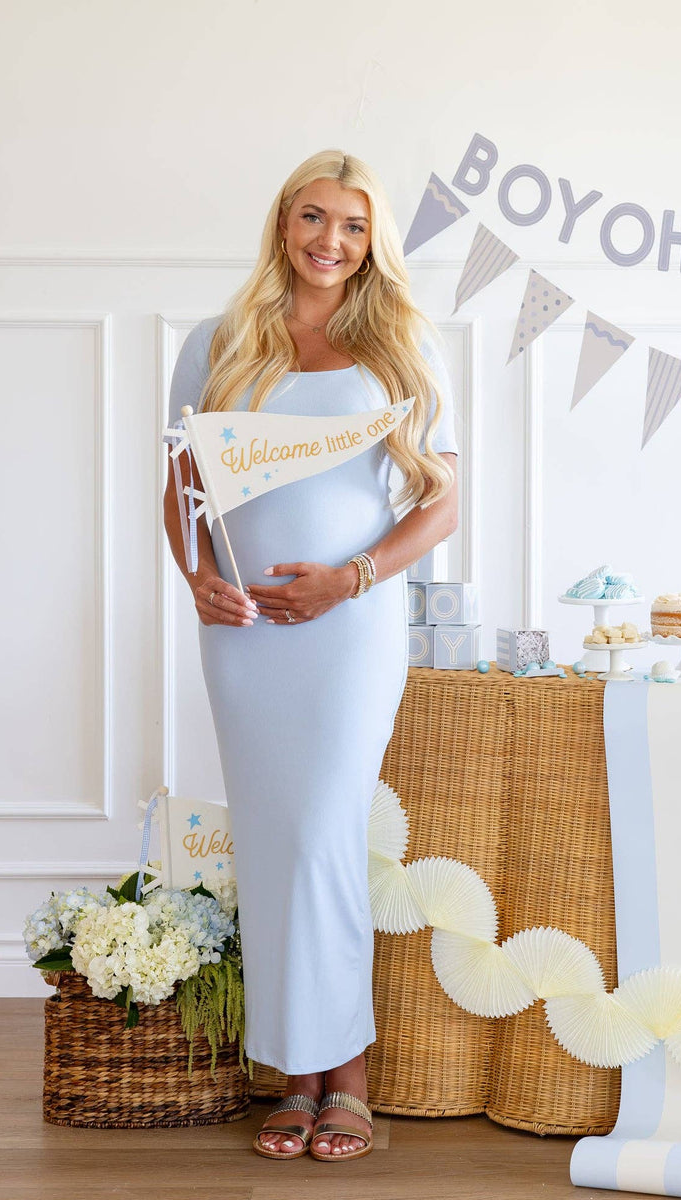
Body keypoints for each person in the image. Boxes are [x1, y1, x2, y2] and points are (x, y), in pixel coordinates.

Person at [162, 149, 460, 1162]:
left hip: (347, 633)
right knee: (275, 841)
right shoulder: (219, 341)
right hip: (243, 638)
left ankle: (349, 1079)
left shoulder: (401, 345)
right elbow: (183, 485)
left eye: (354, 226)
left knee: (327, 834)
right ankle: (298, 1076)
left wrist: (351, 579)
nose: (331, 242)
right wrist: (193, 573)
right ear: (282, 225)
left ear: (375, 242)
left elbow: (441, 503)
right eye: (312, 218)